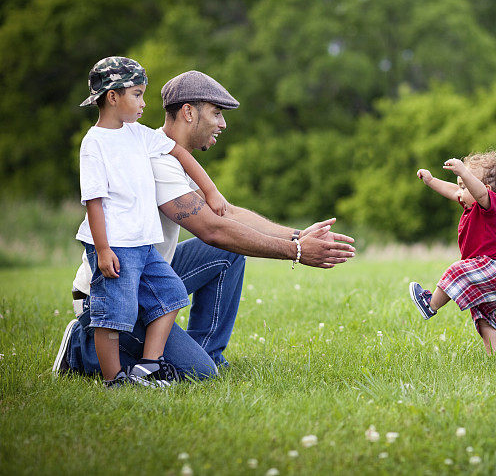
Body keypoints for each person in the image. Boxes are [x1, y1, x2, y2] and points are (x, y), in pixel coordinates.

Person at [53, 70, 356, 381]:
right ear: (188, 112)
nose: (223, 124)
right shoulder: (155, 160)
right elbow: (213, 230)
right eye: (216, 113)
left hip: (147, 274)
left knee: (229, 254)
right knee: (198, 374)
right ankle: (83, 345)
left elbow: (227, 216)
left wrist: (297, 236)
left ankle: (205, 352)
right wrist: (297, 251)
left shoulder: (168, 153)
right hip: (115, 283)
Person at [76, 57, 227, 387]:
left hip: (143, 245)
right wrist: (102, 249)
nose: (145, 103)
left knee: (172, 293)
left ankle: (149, 366)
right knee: (116, 313)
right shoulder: (94, 144)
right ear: (113, 97)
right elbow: (94, 202)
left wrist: (210, 190)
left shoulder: (138, 134)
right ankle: (108, 374)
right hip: (115, 244)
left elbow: (179, 152)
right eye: (137, 94)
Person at [409, 152, 496, 355]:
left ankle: (430, 304)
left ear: (486, 189)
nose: (460, 191)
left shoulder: (494, 206)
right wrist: (431, 181)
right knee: (484, 317)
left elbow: (480, 193)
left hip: (493, 268)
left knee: (457, 270)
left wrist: (464, 172)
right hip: (493, 273)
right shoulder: (473, 204)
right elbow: (452, 191)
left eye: (465, 185)